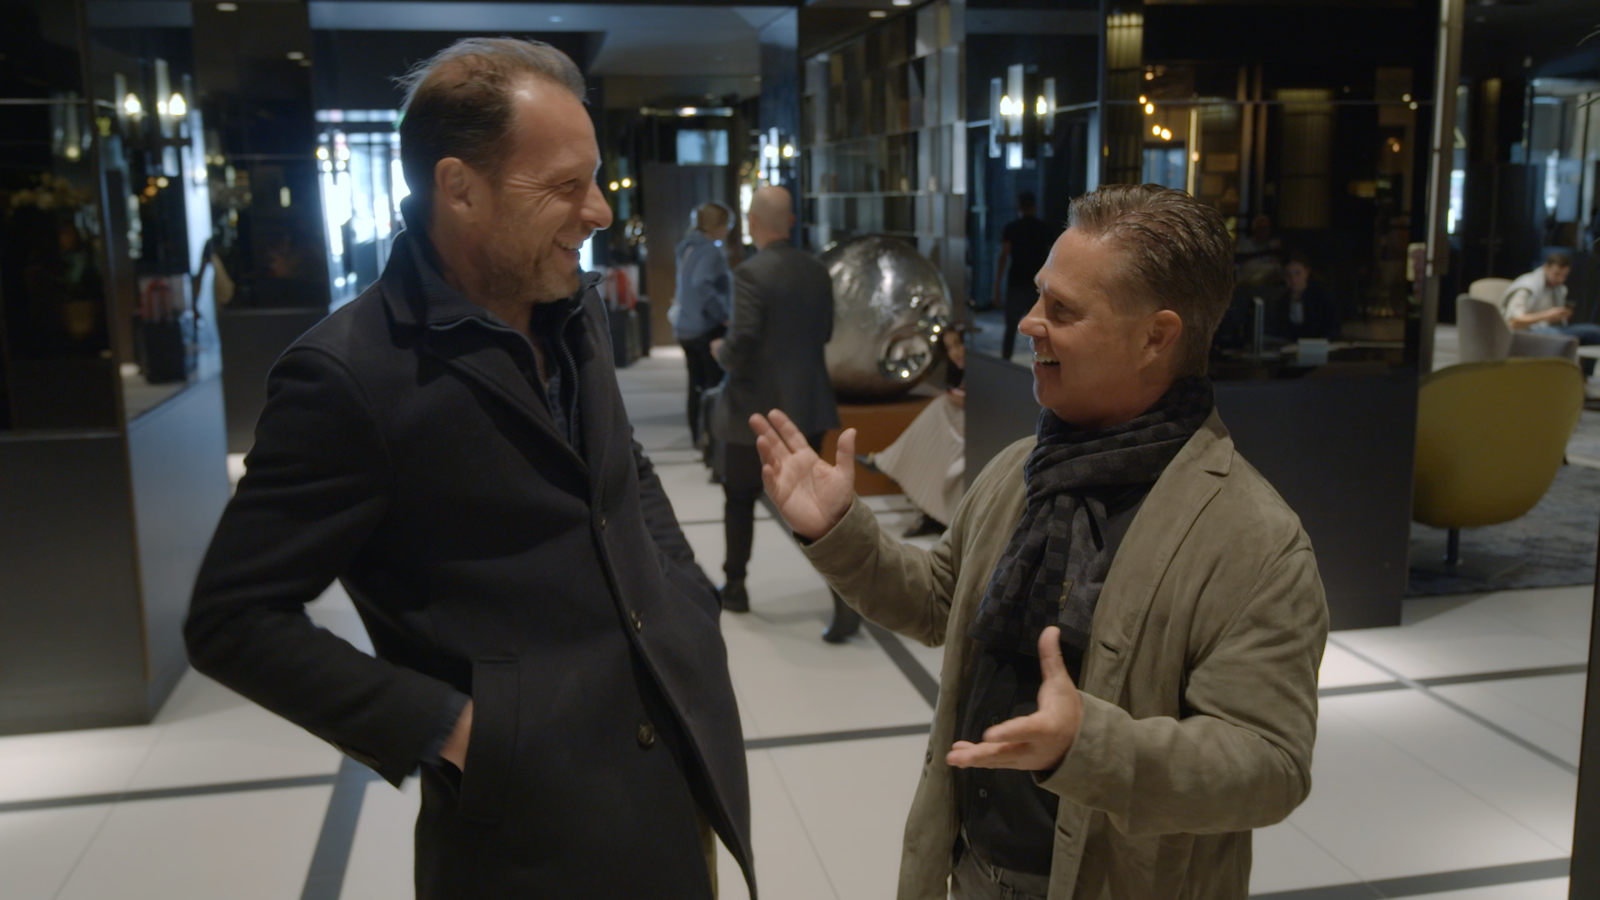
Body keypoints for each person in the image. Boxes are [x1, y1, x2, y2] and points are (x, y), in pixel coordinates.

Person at [184, 39, 752, 899]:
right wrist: (458, 729)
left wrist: (685, 599)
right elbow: (231, 621)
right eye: (565, 185)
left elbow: (619, 464)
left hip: (674, 753)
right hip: (532, 833)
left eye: (596, 178)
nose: (599, 210)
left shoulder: (572, 305)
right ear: (459, 188)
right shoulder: (348, 375)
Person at [752, 184, 1327, 899]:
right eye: (1037, 297)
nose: (1028, 323)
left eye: (1063, 310)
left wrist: (1091, 746)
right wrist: (840, 533)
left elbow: (1269, 765)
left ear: (1157, 337)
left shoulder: (1252, 539)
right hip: (971, 871)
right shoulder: (1022, 470)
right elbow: (941, 602)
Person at [711, 184, 839, 616]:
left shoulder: (750, 273)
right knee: (814, 507)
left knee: (739, 498)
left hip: (754, 412)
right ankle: (845, 599)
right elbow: (825, 333)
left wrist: (721, 352)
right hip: (809, 405)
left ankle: (735, 587)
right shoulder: (818, 270)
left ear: (751, 222)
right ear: (791, 221)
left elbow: (744, 340)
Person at [859, 325, 969, 537]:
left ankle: (887, 461)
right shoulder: (960, 371)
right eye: (949, 347)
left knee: (941, 409)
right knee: (939, 426)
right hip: (962, 424)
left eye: (958, 344)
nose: (954, 352)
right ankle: (890, 462)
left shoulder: (984, 369)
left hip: (977, 427)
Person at [672, 201, 733, 448]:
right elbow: (701, 284)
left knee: (695, 385)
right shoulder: (710, 251)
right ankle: (711, 440)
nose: (729, 230)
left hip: (686, 326)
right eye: (727, 224)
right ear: (718, 225)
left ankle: (698, 437)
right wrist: (723, 314)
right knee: (713, 386)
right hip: (705, 327)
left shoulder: (687, 247)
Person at [1503, 252, 1600, 374]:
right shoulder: (1526, 286)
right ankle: (1558, 376)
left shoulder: (1559, 289)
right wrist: (1547, 315)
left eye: (1564, 276)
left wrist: (1559, 316)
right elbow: (1514, 321)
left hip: (1554, 328)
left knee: (1595, 332)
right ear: (1546, 268)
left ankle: (1584, 376)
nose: (1560, 279)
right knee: (1559, 337)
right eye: (1556, 274)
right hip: (1528, 330)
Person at [992, 192, 1059, 361]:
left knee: (1011, 328)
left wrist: (997, 285)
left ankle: (1006, 362)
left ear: (1019, 207)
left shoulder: (1012, 228)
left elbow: (1003, 256)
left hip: (1016, 282)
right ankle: (1040, 361)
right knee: (1038, 329)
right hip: (1037, 285)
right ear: (1034, 207)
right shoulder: (1043, 227)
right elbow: (1054, 257)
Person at [1270, 252, 1340, 342]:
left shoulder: (1322, 296)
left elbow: (1333, 327)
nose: (1293, 279)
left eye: (1297, 273)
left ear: (1307, 272)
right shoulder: (1281, 302)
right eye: (1288, 275)